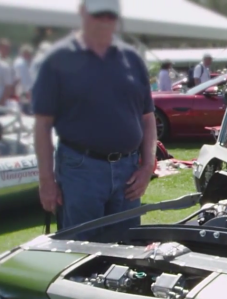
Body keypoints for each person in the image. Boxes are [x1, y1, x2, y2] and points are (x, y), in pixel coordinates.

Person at [31, 0, 156, 240]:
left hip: (128, 171)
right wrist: (46, 180)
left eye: (110, 15)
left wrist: (147, 165)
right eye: (99, 15)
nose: (105, 21)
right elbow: (42, 124)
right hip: (81, 169)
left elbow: (148, 118)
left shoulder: (132, 59)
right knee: (79, 251)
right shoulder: (57, 60)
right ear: (82, 13)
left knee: (127, 250)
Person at [13, 45, 33, 113]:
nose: (30, 55)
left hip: (24, 90)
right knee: (22, 109)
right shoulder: (21, 63)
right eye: (29, 53)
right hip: (22, 91)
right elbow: (20, 78)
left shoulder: (24, 62)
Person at [0, 39, 15, 108]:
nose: (7, 50)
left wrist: (2, 103)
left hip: (4, 99)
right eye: (5, 48)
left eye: (8, 48)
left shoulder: (8, 63)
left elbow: (9, 85)